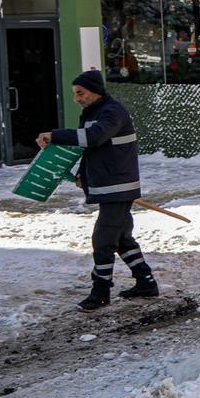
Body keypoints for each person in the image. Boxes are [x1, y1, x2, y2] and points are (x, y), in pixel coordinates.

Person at [36, 71, 157, 311]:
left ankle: (101, 291)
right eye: (75, 94)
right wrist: (84, 175)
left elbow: (94, 137)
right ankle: (146, 282)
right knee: (121, 238)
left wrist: (56, 135)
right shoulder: (94, 113)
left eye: (80, 93)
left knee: (103, 240)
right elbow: (92, 150)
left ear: (95, 91)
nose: (77, 99)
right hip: (110, 186)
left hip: (118, 188)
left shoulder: (113, 112)